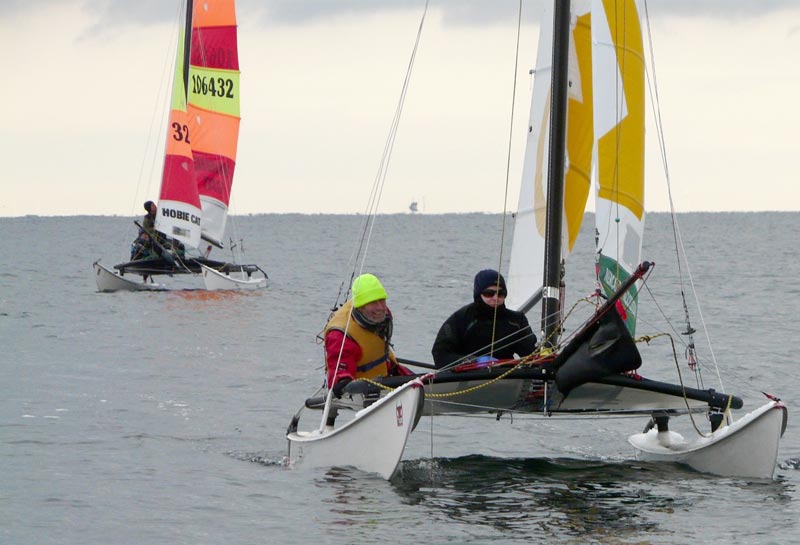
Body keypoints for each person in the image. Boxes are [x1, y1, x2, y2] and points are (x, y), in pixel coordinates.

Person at [323, 274, 413, 425]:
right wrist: (346, 383)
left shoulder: (384, 314)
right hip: (358, 384)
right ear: (360, 306)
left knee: (423, 382)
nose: (380, 308)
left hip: (385, 373)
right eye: (373, 303)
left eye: (382, 300)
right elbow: (338, 381)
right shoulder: (341, 335)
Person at [431, 269, 537, 369]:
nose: (495, 298)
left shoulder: (517, 320)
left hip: (505, 378)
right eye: (489, 293)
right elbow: (440, 354)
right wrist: (474, 361)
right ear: (478, 294)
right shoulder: (461, 318)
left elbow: (531, 354)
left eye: (500, 294)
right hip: (467, 377)